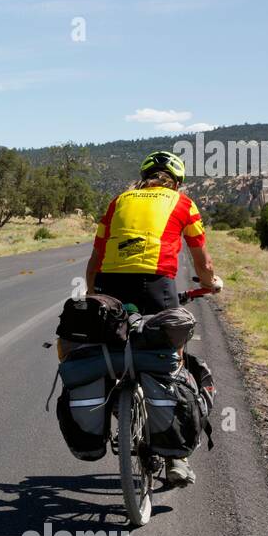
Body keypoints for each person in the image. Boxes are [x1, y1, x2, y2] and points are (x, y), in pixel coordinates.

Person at [84, 150, 223, 486]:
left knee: (112, 347)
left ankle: (115, 407)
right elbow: (201, 260)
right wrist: (210, 284)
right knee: (170, 358)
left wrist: (93, 295)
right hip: (157, 285)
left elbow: (96, 255)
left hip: (110, 286)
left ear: (144, 175)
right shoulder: (182, 203)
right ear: (175, 182)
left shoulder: (119, 200)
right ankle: (178, 457)